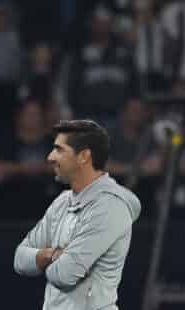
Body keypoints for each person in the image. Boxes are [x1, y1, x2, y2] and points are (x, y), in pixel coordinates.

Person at [14, 119, 141, 310]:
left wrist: (43, 258)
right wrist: (52, 254)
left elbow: (63, 274)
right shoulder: (63, 201)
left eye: (59, 150)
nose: (50, 157)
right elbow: (20, 260)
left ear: (83, 156)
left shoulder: (110, 207)